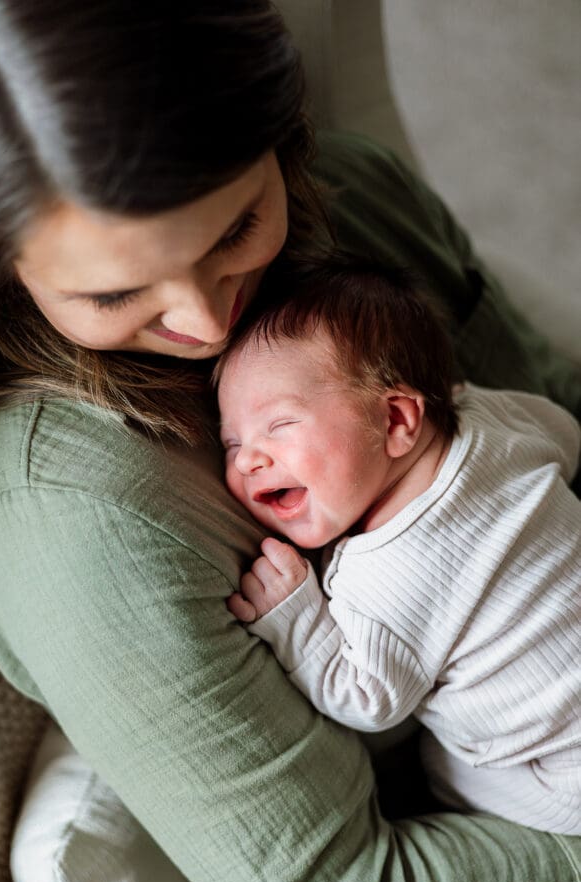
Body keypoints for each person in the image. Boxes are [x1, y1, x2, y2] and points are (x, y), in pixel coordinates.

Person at [0, 2, 581, 882]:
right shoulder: (79, 520)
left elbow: (555, 420)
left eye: (234, 230)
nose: (208, 317)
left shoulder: (356, 202)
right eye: (116, 294)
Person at [217, 255, 581, 836]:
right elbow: (563, 433)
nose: (248, 460)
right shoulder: (491, 417)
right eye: (231, 443)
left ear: (394, 420)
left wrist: (297, 618)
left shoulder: (384, 576)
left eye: (278, 426)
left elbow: (368, 699)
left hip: (567, 775)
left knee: (440, 760)